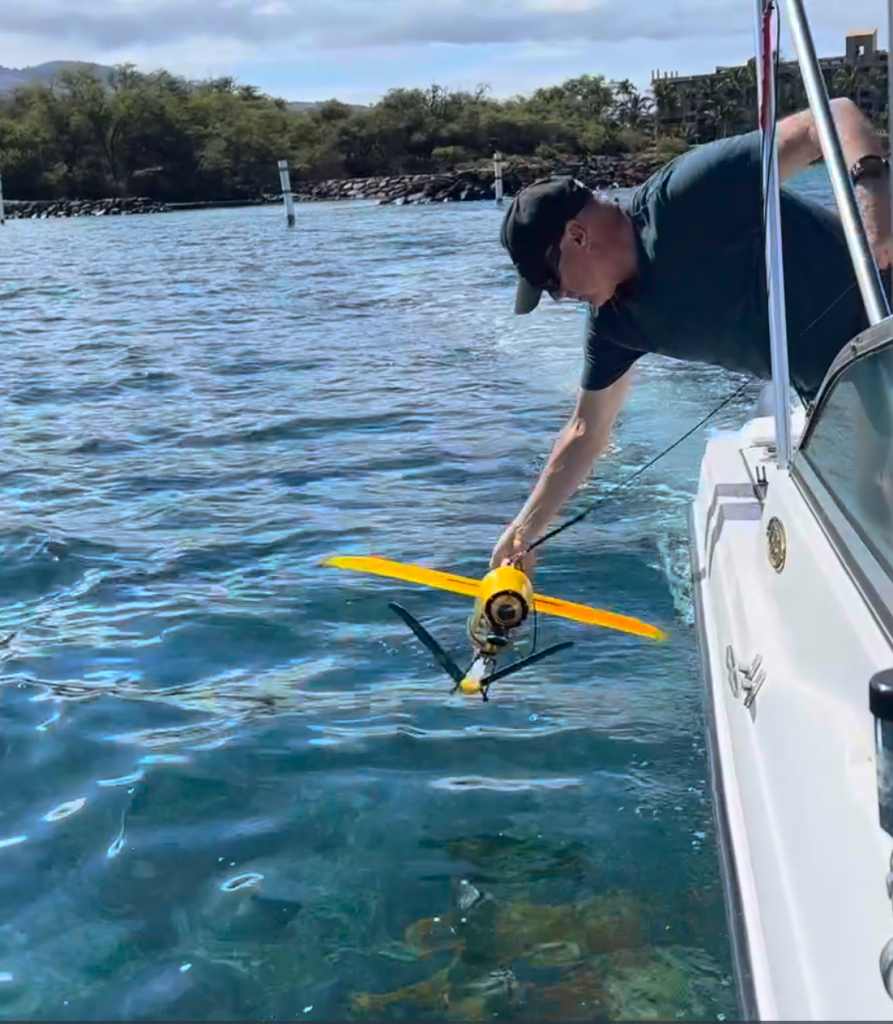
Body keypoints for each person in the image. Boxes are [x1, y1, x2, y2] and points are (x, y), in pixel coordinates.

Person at [491, 97, 893, 573]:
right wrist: (523, 532)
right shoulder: (614, 324)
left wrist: (877, 208)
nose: (561, 298)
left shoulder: (685, 195)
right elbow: (586, 430)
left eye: (553, 285)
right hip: (845, 397)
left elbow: (834, 116)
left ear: (577, 237)